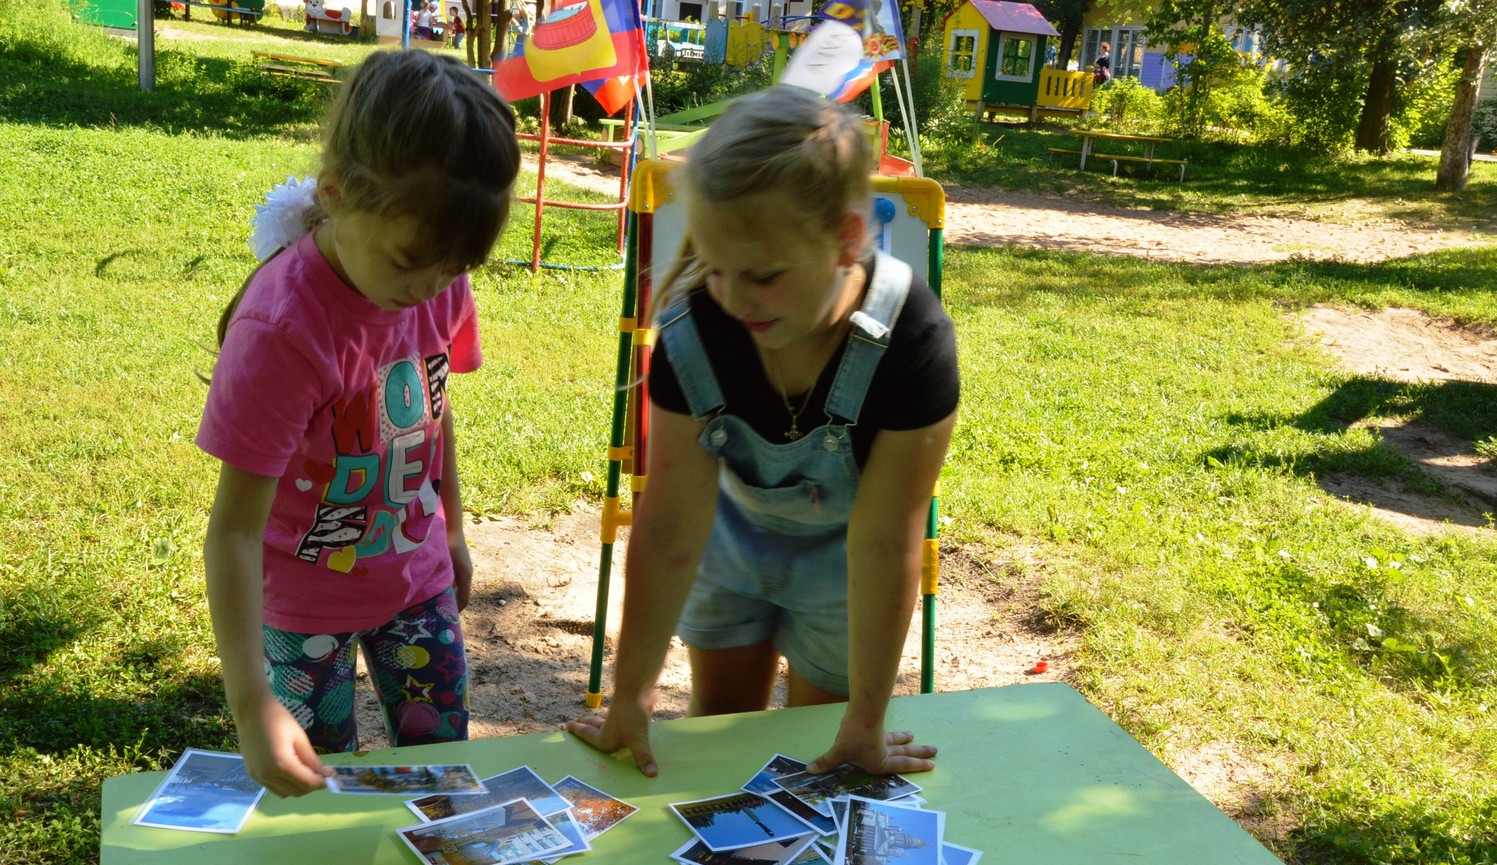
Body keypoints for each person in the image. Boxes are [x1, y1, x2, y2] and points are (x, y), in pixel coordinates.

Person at [568, 86, 959, 778]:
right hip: (729, 546)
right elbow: (667, 526)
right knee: (723, 743)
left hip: (848, 566)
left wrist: (865, 724)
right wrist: (629, 695)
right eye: (715, 269)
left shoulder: (913, 342)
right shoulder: (698, 330)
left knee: (823, 756)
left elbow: (884, 538)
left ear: (845, 238)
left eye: (763, 275)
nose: (736, 299)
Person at [199, 49, 521, 798]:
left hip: (417, 581)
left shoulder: (437, 279)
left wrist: (452, 529)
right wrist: (252, 706)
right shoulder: (284, 330)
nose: (433, 287)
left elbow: (435, 409)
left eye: (457, 266)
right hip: (306, 609)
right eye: (413, 261)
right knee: (320, 787)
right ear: (338, 194)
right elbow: (234, 531)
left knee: (442, 778)